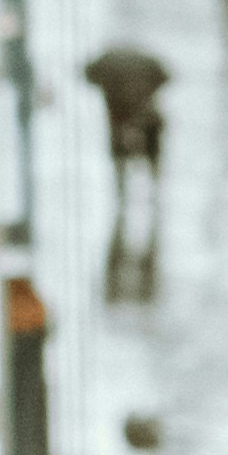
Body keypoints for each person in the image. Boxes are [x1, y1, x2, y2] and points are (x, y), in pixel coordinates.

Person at [83, 37, 171, 286]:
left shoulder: (109, 63)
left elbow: (88, 75)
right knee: (148, 157)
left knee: (122, 157)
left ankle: (123, 191)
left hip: (121, 118)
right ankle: (150, 188)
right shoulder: (146, 63)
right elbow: (166, 77)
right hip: (144, 116)